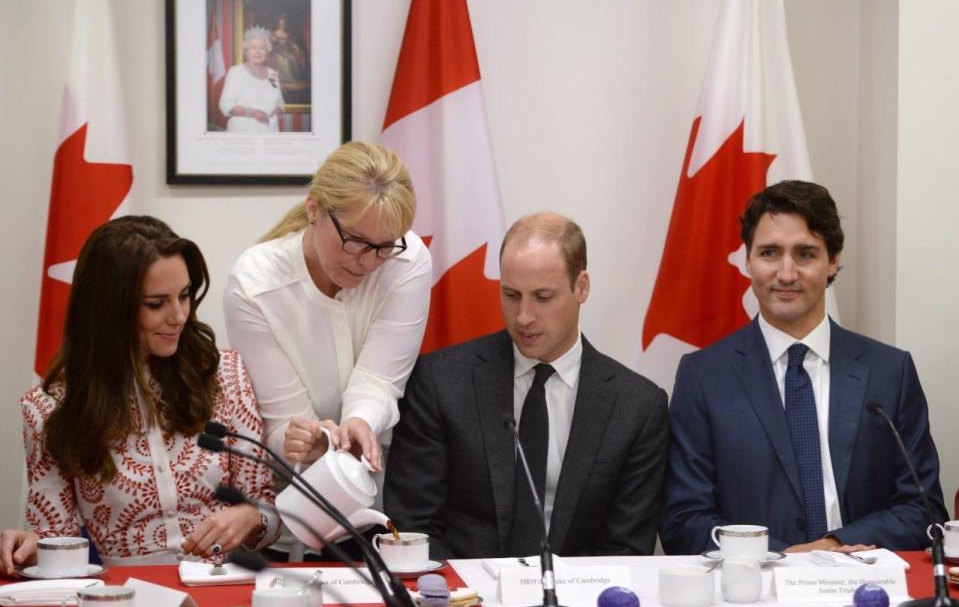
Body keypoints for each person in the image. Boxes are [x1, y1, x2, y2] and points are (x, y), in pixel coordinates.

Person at [660, 180, 947, 555]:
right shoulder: (703, 376)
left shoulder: (890, 372)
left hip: (865, 587)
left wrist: (831, 545)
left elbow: (923, 510)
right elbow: (684, 520)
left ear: (833, 260)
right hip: (755, 592)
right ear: (747, 261)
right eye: (769, 253)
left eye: (805, 254)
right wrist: (781, 557)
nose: (786, 273)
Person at [0, 216, 279, 575]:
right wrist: (32, 548)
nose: (178, 316)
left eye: (184, 295)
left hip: (224, 587)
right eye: (155, 304)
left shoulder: (224, 374)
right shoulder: (50, 407)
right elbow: (58, 549)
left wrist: (251, 516)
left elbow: (269, 516)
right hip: (124, 597)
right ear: (109, 309)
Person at [383, 212, 669, 559]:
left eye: (543, 297)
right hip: (464, 599)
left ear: (582, 287)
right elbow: (415, 528)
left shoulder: (637, 406)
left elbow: (625, 549)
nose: (523, 316)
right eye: (511, 294)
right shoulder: (441, 382)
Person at [223, 140, 431, 478]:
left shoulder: (406, 260)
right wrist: (313, 440)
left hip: (381, 479)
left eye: (382, 247)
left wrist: (359, 420)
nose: (366, 262)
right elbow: (281, 424)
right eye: (354, 240)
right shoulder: (254, 285)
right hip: (295, 490)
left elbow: (380, 380)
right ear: (314, 209)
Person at [219, 26, 285, 132]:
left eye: (262, 48)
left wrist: (278, 109)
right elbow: (225, 105)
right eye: (253, 47)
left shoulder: (272, 75)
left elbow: (280, 102)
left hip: (269, 131)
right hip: (242, 131)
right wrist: (253, 113)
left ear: (267, 52)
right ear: (247, 51)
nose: (258, 52)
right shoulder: (237, 72)